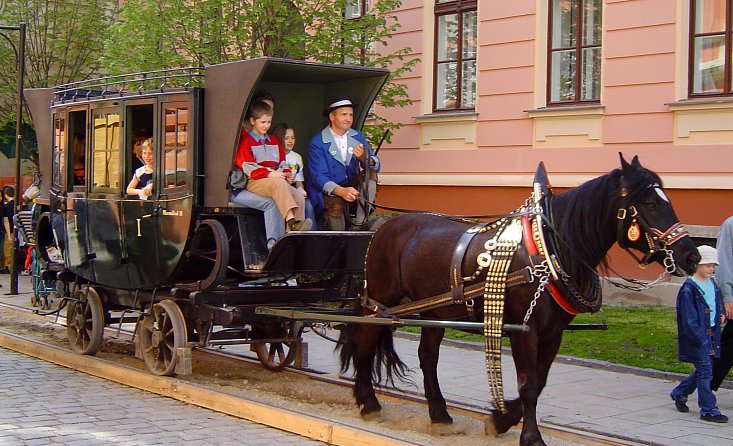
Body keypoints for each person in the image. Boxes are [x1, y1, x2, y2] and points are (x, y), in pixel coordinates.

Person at [671, 245, 728, 423]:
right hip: (699, 337)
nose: (712, 269)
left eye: (713, 266)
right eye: (708, 265)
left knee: (704, 370)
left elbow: (716, 302)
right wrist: (700, 338)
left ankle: (679, 392)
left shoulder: (711, 283)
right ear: (696, 264)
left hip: (712, 334)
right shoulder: (689, 289)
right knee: (706, 372)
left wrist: (721, 313)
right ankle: (708, 409)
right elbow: (689, 320)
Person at [306, 96, 380, 231]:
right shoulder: (318, 142)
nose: (349, 119)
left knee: (371, 175)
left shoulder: (357, 136)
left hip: (351, 185)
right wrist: (340, 191)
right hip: (329, 190)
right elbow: (319, 177)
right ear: (332, 117)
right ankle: (339, 239)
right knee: (335, 205)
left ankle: (360, 224)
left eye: (351, 115)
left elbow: (376, 164)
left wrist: (365, 158)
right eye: (344, 114)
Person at [235, 101, 311, 232]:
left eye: (269, 122)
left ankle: (296, 235)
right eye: (263, 122)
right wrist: (272, 174)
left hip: (277, 180)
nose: (266, 126)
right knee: (279, 183)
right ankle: (291, 221)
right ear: (253, 121)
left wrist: (287, 174)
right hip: (256, 181)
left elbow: (283, 162)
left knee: (298, 196)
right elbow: (249, 168)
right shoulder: (246, 142)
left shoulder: (274, 140)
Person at [271, 123, 317, 230]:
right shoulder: (274, 155)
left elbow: (299, 181)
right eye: (286, 138)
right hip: (280, 190)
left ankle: (311, 234)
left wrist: (301, 190)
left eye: (293, 138)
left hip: (293, 190)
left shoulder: (297, 157)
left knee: (308, 205)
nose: (290, 141)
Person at [712, 216, 733, 391]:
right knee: (728, 347)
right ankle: (692, 387)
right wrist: (728, 297)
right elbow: (723, 263)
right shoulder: (730, 225)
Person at [1, 186, 15, 274]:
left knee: (7, 249)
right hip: (14, 229)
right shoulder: (16, 204)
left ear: (5, 195)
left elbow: (7, 220)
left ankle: (8, 266)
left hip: (8, 230)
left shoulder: (7, 206)